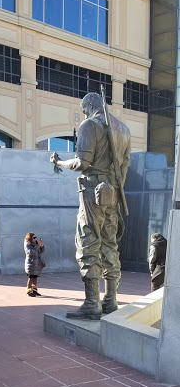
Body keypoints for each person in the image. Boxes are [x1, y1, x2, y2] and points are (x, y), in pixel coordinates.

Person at [50, 92, 131, 319]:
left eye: (84, 109)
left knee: (88, 244)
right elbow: (124, 167)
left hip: (91, 192)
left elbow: (81, 163)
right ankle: (111, 301)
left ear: (91, 105)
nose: (83, 113)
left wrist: (59, 162)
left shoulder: (90, 125)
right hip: (113, 193)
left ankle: (92, 304)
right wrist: (113, 189)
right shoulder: (123, 129)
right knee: (110, 245)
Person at [24, 232, 45, 297]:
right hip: (31, 263)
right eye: (34, 238)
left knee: (35, 277)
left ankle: (34, 290)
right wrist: (38, 246)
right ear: (30, 238)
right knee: (31, 277)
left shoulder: (35, 243)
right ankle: (28, 291)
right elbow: (31, 252)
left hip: (36, 263)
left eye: (36, 237)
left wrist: (42, 246)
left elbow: (41, 251)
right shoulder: (27, 244)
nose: (35, 239)